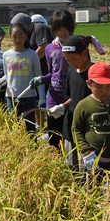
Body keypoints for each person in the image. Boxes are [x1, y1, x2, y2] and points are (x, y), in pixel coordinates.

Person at [29, 9, 74, 148]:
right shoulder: (49, 48)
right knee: (54, 137)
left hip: (72, 98)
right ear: (54, 30)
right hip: (54, 98)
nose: (63, 33)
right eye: (59, 29)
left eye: (66, 29)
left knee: (71, 137)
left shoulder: (78, 45)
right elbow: (52, 73)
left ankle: (72, 166)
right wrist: (41, 79)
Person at [72, 62, 110, 174]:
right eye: (99, 87)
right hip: (92, 159)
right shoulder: (84, 105)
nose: (104, 91)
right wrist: (86, 152)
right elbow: (76, 129)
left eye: (109, 86)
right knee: (90, 187)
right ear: (89, 84)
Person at [3, 22, 45, 134]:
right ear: (10, 37)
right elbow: (7, 75)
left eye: (21, 36)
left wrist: (42, 97)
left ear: (26, 36)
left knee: (29, 127)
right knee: (13, 127)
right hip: (11, 96)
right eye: (15, 37)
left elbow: (38, 76)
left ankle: (33, 149)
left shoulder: (32, 55)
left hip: (28, 96)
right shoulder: (6, 55)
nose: (18, 39)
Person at [61, 35, 95, 169]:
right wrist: (62, 107)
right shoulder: (71, 72)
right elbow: (72, 97)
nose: (71, 63)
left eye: (73, 59)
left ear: (85, 53)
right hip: (70, 121)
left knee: (86, 162)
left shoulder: (94, 73)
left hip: (87, 125)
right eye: (67, 60)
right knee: (70, 161)